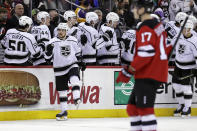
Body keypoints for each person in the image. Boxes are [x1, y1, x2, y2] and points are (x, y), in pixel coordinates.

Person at [116, 0, 171, 130]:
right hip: (150, 72)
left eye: (135, 8)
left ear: (142, 9)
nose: (133, 10)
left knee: (145, 110)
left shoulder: (146, 27)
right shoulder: (157, 25)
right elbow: (163, 48)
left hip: (149, 73)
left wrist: (129, 71)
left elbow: (145, 54)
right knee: (132, 108)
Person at [45, 23, 85, 121]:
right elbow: (47, 59)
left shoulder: (73, 39)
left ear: (66, 31)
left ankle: (76, 98)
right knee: (62, 91)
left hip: (72, 64)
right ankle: (64, 111)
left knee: (74, 78)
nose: (61, 32)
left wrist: (81, 62)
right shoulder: (52, 42)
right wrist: (48, 52)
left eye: (63, 30)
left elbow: (78, 53)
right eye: (59, 30)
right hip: (59, 68)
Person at [171, 20, 197, 117]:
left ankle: (188, 108)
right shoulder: (178, 37)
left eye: (187, 29)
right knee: (176, 86)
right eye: (184, 28)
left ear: (190, 29)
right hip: (178, 66)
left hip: (188, 68)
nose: (185, 31)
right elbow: (171, 46)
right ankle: (181, 105)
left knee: (186, 88)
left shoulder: (195, 41)